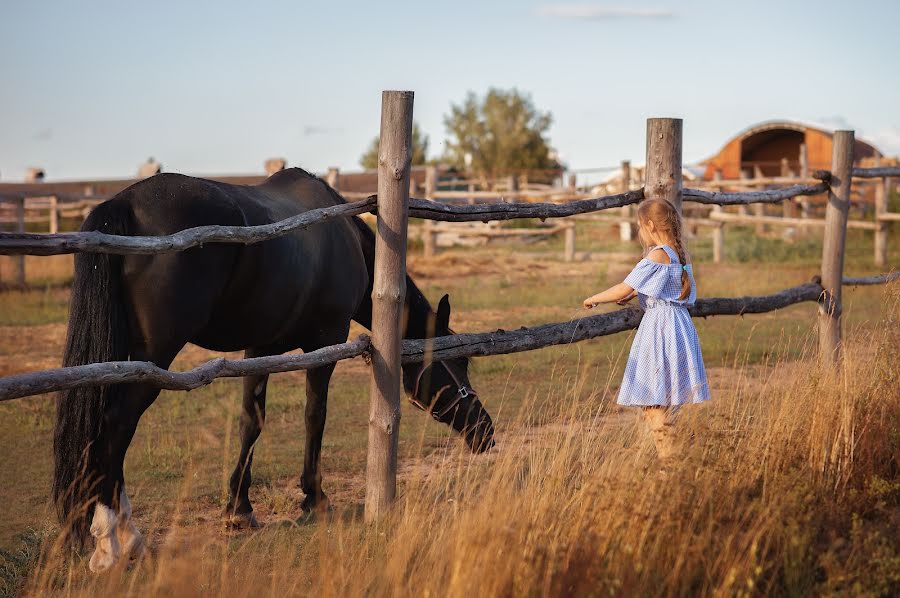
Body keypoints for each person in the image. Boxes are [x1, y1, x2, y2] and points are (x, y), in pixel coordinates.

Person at [582, 198, 710, 460]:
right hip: (678, 325)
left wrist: (594, 297)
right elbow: (660, 285)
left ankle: (668, 462)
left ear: (650, 225)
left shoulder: (657, 254)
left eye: (640, 226)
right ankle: (671, 458)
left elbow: (624, 287)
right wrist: (638, 292)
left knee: (653, 402)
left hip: (660, 329)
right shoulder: (677, 253)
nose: (640, 232)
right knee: (663, 401)